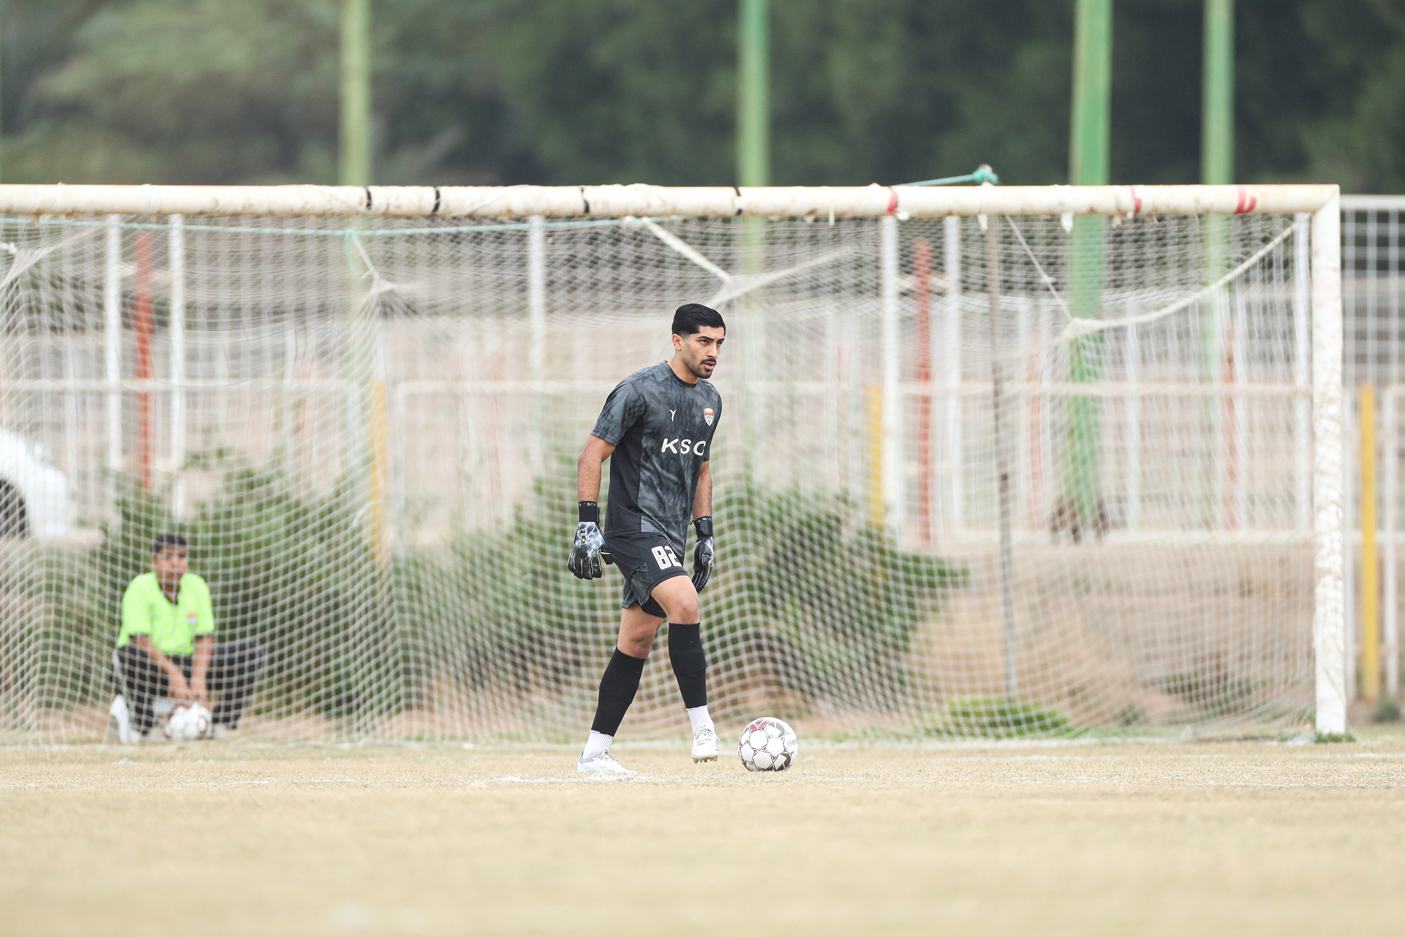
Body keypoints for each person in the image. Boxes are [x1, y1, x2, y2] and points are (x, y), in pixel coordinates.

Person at [568, 302, 725, 775]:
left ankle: (594, 753)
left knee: (636, 641)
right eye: (703, 341)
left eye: (719, 343)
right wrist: (588, 523)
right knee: (686, 602)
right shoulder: (637, 390)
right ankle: (703, 727)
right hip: (632, 527)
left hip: (671, 535)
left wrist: (704, 533)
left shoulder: (711, 400)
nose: (713, 351)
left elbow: (701, 470)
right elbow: (592, 454)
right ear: (677, 340)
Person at [107, 533, 265, 742]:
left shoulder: (196, 586)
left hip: (187, 663)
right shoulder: (139, 587)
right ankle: (145, 728)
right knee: (127, 655)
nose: (175, 563)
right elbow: (140, 640)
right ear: (153, 562)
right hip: (152, 667)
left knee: (251, 653)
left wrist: (198, 678)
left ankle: (218, 725)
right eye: (167, 557)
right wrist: (175, 675)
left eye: (181, 556)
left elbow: (205, 637)